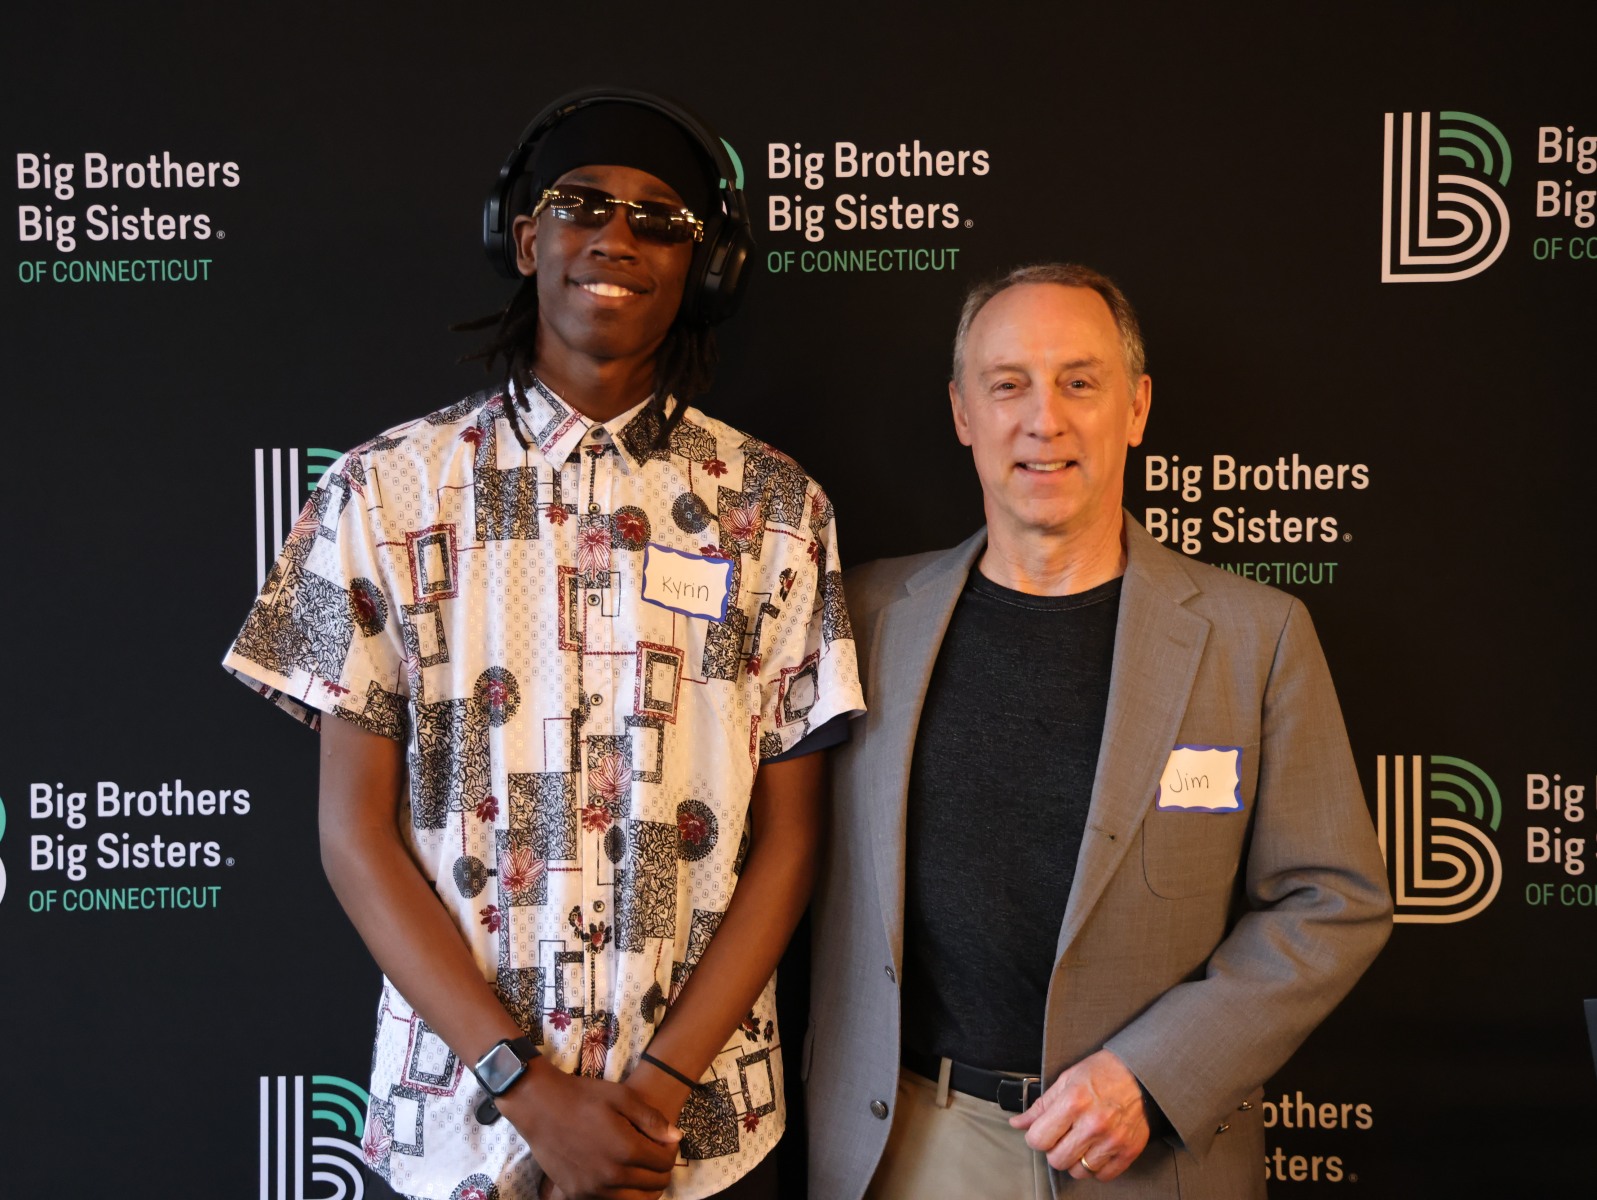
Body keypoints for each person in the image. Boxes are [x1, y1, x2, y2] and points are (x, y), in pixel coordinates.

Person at [223, 88, 861, 1200]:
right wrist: (526, 1089)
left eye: (659, 220)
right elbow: (352, 834)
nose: (616, 238)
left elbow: (789, 844)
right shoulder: (382, 492)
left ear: (704, 268)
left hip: (693, 1137)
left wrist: (652, 1095)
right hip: (462, 1130)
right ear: (525, 240)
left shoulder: (776, 509)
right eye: (582, 206)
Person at [805, 263, 1391, 1199]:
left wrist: (1152, 1075)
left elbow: (1332, 900)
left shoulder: (1256, 636)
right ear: (962, 412)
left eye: (1079, 382)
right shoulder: (864, 616)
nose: (1044, 420)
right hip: (908, 1145)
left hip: (1148, 1160)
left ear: (1136, 407)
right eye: (1008, 385)